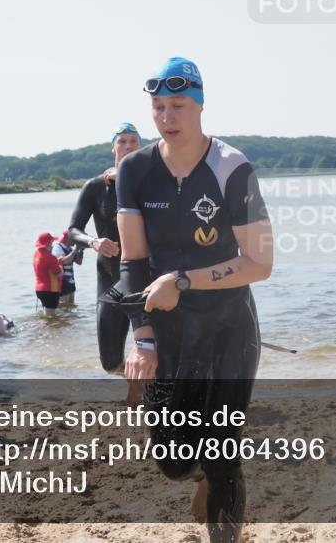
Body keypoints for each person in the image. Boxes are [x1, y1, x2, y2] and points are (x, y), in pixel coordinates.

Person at [116, 57, 273, 543]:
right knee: (172, 463)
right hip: (166, 328)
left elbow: (259, 263)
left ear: (200, 106)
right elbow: (133, 263)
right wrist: (141, 337)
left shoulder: (231, 167)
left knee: (223, 450)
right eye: (159, 107)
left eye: (178, 105)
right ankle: (200, 473)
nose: (167, 117)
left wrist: (182, 279)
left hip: (229, 326)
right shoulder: (135, 171)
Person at [68, 122, 142, 371]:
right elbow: (73, 230)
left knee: (156, 348)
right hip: (110, 277)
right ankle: (138, 386)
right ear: (113, 148)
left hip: (147, 275)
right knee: (109, 362)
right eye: (122, 141)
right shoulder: (96, 186)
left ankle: (150, 396)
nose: (128, 146)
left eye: (133, 141)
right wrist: (94, 242)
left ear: (141, 147)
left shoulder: (154, 182)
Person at [33, 232, 63, 316]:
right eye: (51, 242)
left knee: (46, 314)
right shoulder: (51, 257)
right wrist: (60, 265)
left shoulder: (36, 254)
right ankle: (49, 329)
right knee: (51, 317)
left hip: (39, 289)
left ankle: (44, 329)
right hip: (50, 290)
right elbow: (59, 274)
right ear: (48, 243)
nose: (52, 244)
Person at [51, 231, 79, 307]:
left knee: (71, 306)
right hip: (62, 282)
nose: (75, 241)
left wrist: (80, 250)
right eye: (74, 239)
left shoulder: (69, 248)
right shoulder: (58, 247)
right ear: (68, 239)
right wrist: (75, 251)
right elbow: (62, 261)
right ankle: (61, 319)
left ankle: (69, 319)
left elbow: (79, 262)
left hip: (71, 281)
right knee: (63, 306)